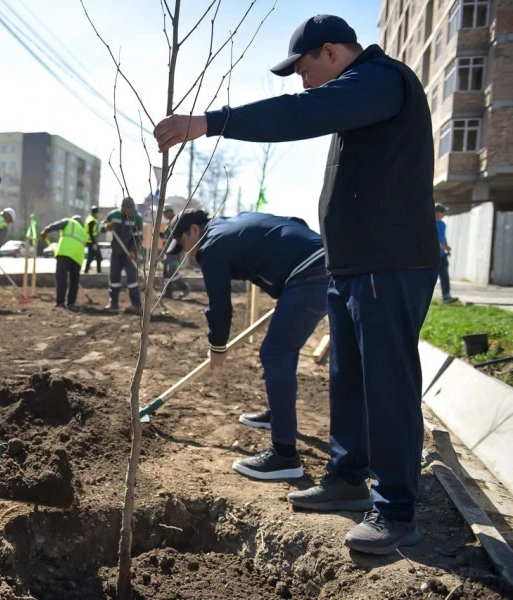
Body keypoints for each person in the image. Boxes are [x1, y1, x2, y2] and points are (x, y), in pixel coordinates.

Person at [155, 14, 440, 555]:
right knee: (348, 379)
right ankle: (347, 477)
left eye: (303, 68)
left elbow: (303, 112)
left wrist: (210, 122)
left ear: (331, 52)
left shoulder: (382, 80)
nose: (301, 81)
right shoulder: (361, 96)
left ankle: (396, 508)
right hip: (350, 265)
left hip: (389, 262)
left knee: (386, 384)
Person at [167, 209, 327, 480]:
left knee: (275, 353)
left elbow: (219, 306)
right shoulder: (233, 223)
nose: (186, 253)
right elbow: (295, 223)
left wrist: (217, 346)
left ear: (194, 231)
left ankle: (284, 455)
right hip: (317, 264)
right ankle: (278, 414)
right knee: (282, 350)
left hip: (310, 275)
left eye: (182, 245)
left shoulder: (210, 245)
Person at [103, 197, 144, 314]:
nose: (130, 213)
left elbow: (138, 238)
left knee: (132, 280)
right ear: (122, 208)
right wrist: (106, 227)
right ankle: (113, 304)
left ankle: (136, 305)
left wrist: (133, 251)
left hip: (129, 254)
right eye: (127, 210)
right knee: (114, 278)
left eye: (131, 210)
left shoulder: (137, 219)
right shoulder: (114, 215)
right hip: (116, 253)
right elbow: (102, 226)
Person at [41, 214, 89, 308]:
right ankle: (71, 302)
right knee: (74, 281)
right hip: (78, 257)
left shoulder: (69, 222)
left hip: (65, 253)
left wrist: (46, 230)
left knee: (61, 278)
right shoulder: (84, 232)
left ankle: (60, 301)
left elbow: (56, 225)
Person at [160, 205, 190, 299]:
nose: (164, 214)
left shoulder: (177, 222)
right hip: (167, 252)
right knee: (166, 272)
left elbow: (179, 237)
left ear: (170, 211)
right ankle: (168, 292)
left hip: (174, 251)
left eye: (165, 212)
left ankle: (184, 287)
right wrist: (159, 234)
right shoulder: (169, 224)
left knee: (171, 271)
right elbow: (167, 237)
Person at [435, 204, 457, 304]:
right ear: (437, 212)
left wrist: (447, 248)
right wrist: (444, 247)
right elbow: (432, 240)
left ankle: (446, 297)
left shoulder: (442, 224)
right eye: (443, 212)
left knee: (444, 276)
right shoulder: (430, 224)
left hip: (442, 255)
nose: (444, 214)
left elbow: (443, 237)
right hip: (432, 256)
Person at [84, 206, 102, 274]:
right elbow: (91, 232)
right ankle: (98, 271)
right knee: (98, 257)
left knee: (92, 257)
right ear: (96, 212)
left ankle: (87, 270)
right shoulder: (91, 220)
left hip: (91, 241)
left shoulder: (92, 218)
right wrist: (94, 243)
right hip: (92, 241)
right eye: (98, 212)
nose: (99, 214)